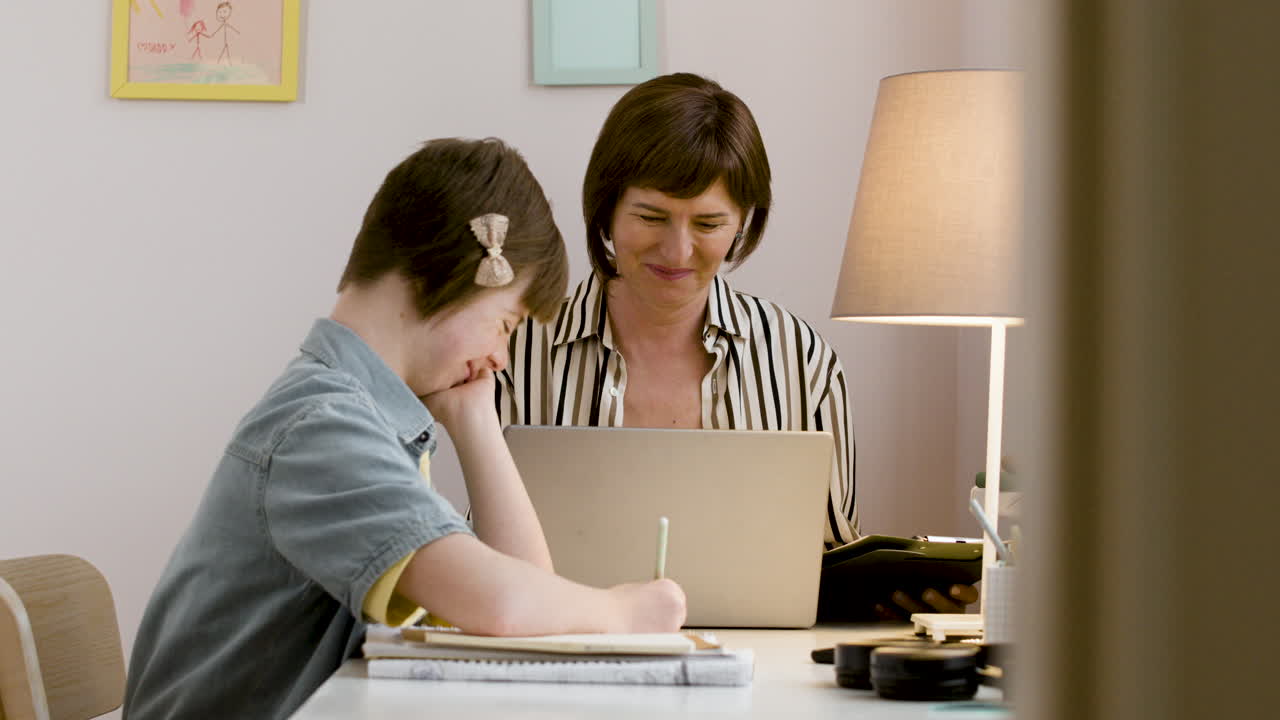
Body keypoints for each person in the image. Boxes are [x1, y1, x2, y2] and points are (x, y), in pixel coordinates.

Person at [123, 138, 686, 720]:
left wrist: (475, 421)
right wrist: (623, 612)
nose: (501, 357)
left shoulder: (366, 415)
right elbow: (504, 606)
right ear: (464, 277)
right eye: (505, 325)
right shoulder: (323, 425)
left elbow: (522, 594)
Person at [494, 73, 977, 620]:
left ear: (744, 222)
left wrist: (899, 603)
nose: (678, 250)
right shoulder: (513, 345)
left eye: (708, 223)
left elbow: (830, 562)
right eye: (651, 216)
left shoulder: (803, 361)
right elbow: (482, 552)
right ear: (605, 209)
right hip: (557, 655)